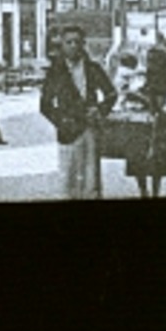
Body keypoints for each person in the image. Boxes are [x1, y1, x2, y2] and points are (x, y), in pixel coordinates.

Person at [40, 24, 117, 200]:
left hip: (90, 130)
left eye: (77, 42)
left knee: (91, 182)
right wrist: (61, 121)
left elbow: (111, 94)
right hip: (68, 133)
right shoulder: (55, 72)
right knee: (68, 182)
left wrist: (100, 110)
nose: (73, 46)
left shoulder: (93, 68)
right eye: (69, 42)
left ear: (83, 44)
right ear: (62, 45)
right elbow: (44, 105)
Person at [124, 44, 166, 199]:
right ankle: (144, 191)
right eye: (148, 59)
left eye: (152, 60)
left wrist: (137, 96)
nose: (149, 62)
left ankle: (153, 193)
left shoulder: (163, 79)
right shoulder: (150, 76)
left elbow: (158, 105)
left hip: (156, 125)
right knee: (139, 160)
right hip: (142, 122)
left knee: (154, 163)